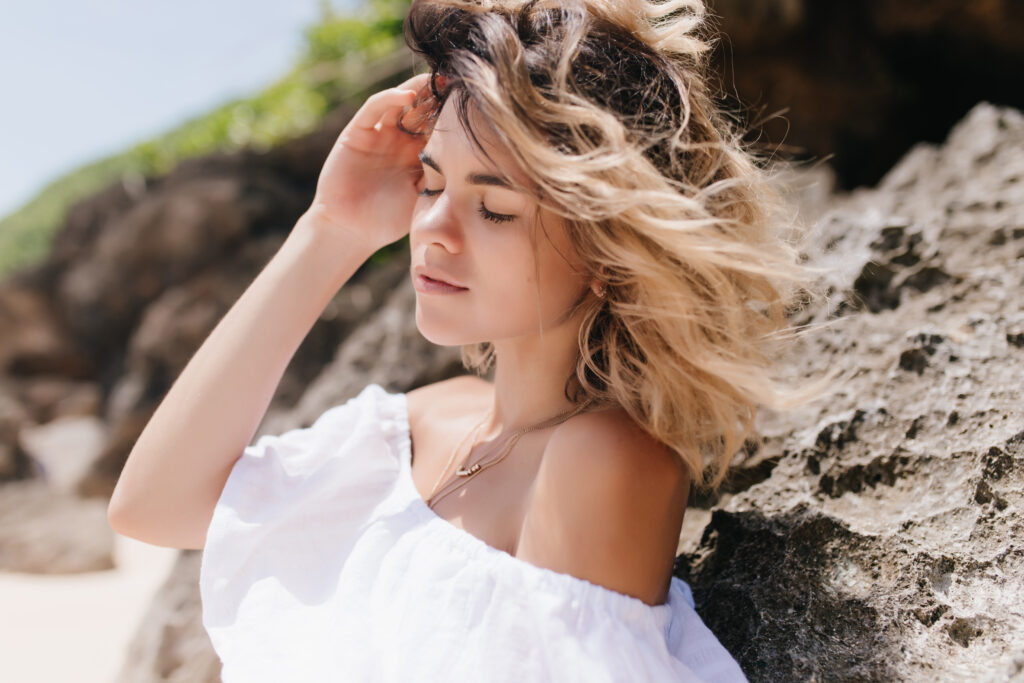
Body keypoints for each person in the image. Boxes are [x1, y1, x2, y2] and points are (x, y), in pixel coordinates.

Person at [109, 0, 828, 680]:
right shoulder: (416, 423)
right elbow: (153, 505)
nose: (433, 230)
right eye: (430, 184)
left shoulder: (601, 462)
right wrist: (332, 228)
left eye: (493, 208)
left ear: (610, 249)